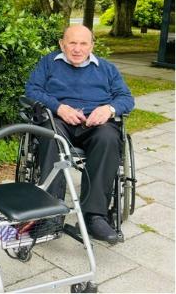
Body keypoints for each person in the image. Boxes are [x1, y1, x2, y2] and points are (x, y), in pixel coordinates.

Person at [25, 24, 134, 244]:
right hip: (59, 121)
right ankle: (50, 214)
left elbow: (126, 98)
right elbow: (32, 90)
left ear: (92, 45)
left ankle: (94, 216)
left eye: (83, 43)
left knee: (108, 138)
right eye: (72, 43)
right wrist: (59, 107)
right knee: (51, 136)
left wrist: (108, 109)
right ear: (62, 44)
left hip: (95, 124)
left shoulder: (106, 69)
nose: (77, 48)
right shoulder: (49, 63)